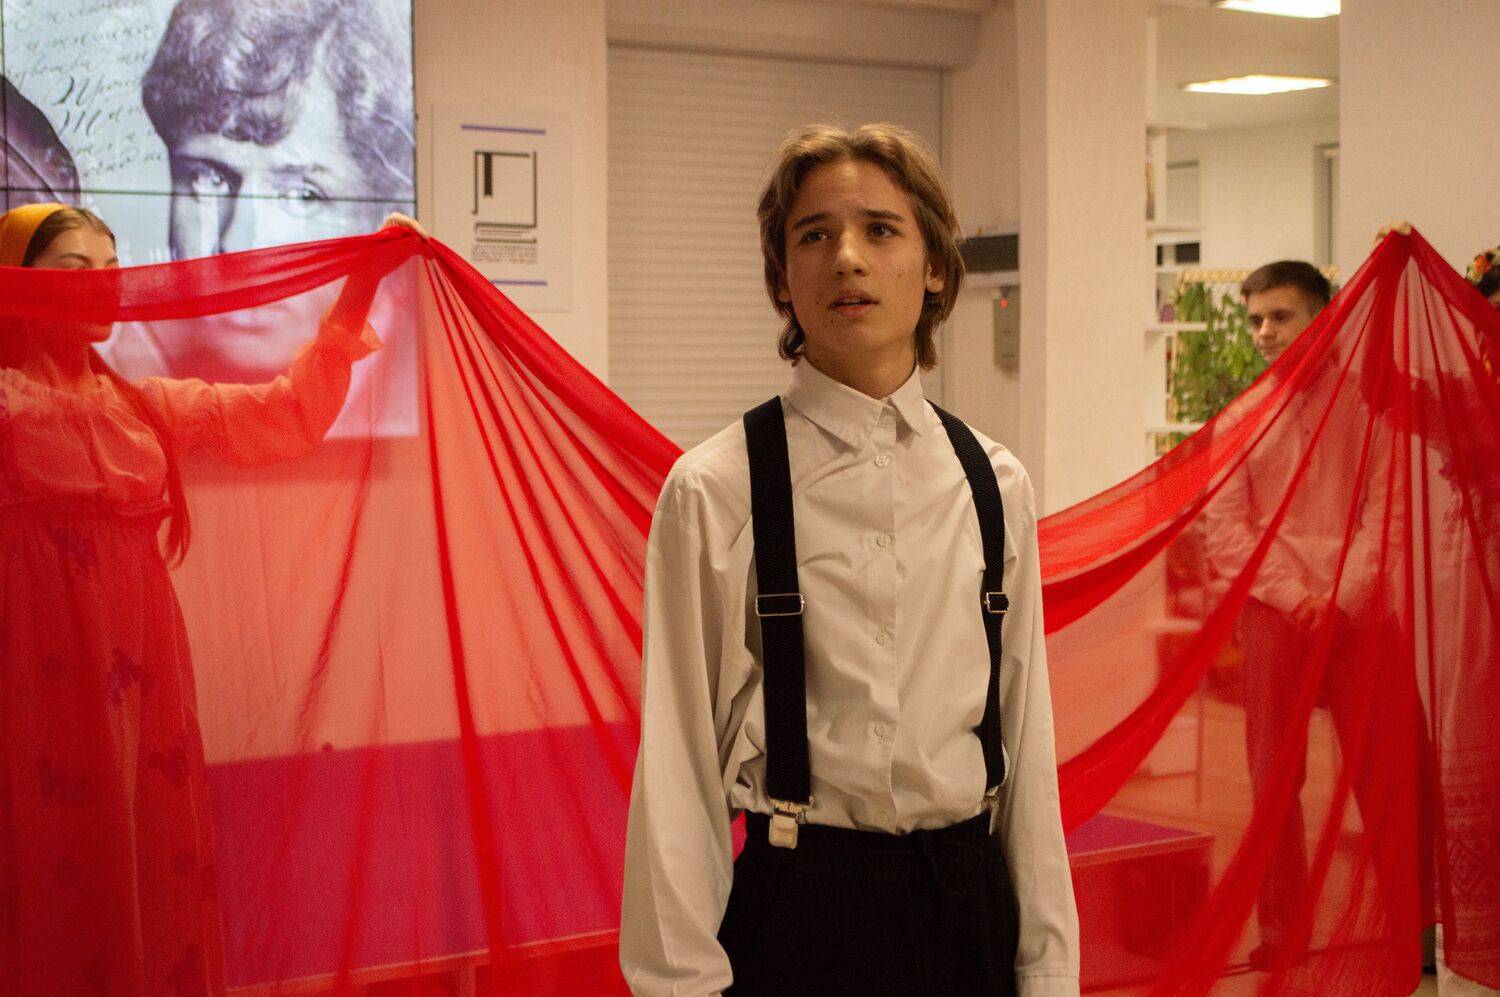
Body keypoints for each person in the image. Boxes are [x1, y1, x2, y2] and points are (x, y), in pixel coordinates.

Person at [620, 123, 1079, 995]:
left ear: (934, 264)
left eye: (880, 229)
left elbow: (1026, 741)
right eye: (814, 235)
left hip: (968, 906)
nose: (847, 258)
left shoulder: (995, 482)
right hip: (802, 912)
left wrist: (1049, 971)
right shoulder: (716, 488)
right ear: (781, 278)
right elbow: (677, 770)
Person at [0, 201, 423, 994]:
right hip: (32, 679)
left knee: (144, 850)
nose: (101, 287)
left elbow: (289, 414)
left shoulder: (143, 407)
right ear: (16, 284)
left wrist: (361, 285)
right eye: (73, 270)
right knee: (44, 854)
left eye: (112, 268)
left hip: (142, 676)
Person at [130, 0, 416, 383]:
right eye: (209, 179)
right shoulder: (119, 370)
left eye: (303, 196)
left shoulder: (418, 379)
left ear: (382, 216)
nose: (239, 244)